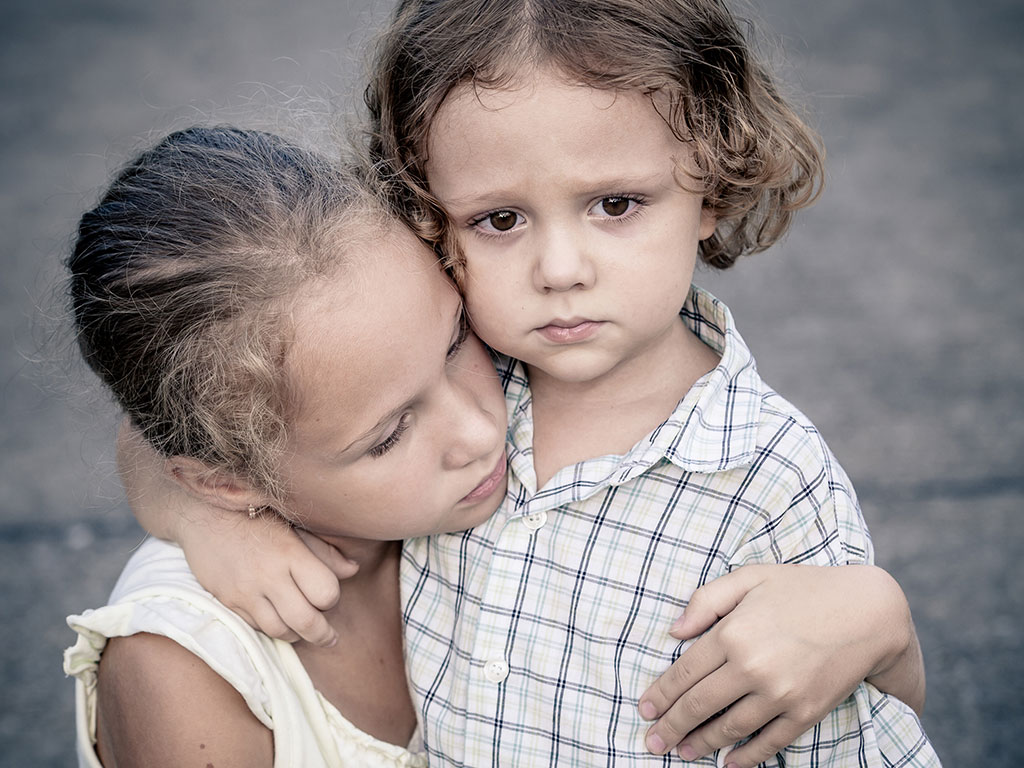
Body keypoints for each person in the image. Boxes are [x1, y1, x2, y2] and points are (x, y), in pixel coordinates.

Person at [122, 1, 939, 767]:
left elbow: (874, 716)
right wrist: (207, 519)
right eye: (500, 220)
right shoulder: (455, 374)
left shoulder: (768, 474)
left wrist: (879, 622)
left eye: (616, 204)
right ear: (428, 214)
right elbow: (197, 417)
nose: (559, 270)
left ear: (713, 187)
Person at [62, 125, 511, 767]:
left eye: (456, 340)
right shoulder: (186, 675)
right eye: (388, 436)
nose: (481, 431)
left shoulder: (503, 391)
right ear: (226, 481)